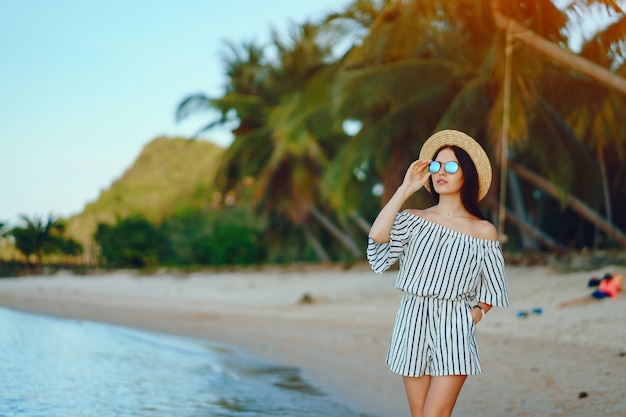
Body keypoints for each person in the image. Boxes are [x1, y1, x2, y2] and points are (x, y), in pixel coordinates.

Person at [367, 129, 510, 417]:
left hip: (454, 323)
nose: (440, 172)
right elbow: (378, 235)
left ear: (466, 174)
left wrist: (471, 317)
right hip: (412, 319)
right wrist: (406, 188)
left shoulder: (483, 231)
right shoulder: (414, 219)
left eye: (451, 166)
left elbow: (492, 289)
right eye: (435, 166)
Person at [557, 273, 623, 309]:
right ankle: (566, 304)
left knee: (583, 298)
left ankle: (565, 303)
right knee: (587, 300)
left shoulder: (603, 281)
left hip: (598, 291)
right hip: (605, 294)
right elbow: (620, 289)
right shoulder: (614, 283)